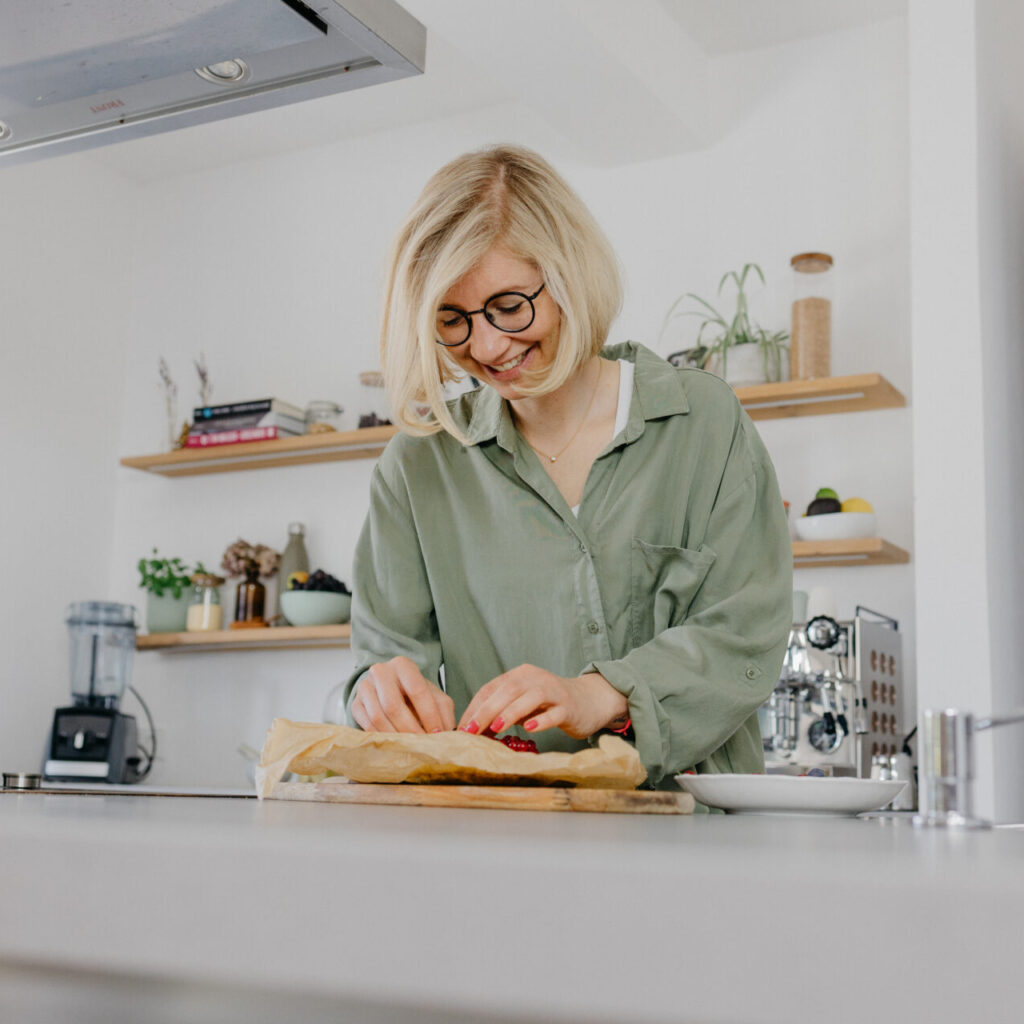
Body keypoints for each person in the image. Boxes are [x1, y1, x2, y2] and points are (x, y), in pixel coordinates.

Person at [342, 144, 792, 790]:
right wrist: (375, 692)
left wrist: (601, 693)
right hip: (507, 850)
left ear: (570, 275)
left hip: (696, 847)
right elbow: (383, 663)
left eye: (508, 305)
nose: (489, 345)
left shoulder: (705, 424)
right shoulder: (417, 469)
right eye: (453, 320)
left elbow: (746, 633)